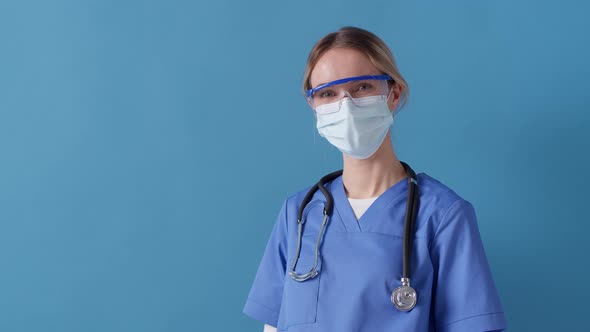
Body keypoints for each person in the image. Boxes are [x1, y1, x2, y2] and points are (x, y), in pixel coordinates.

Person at [242, 26, 507, 332]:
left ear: (393, 93)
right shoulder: (299, 213)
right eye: (328, 93)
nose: (345, 105)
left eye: (362, 87)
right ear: (314, 106)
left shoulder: (442, 215)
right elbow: (273, 326)